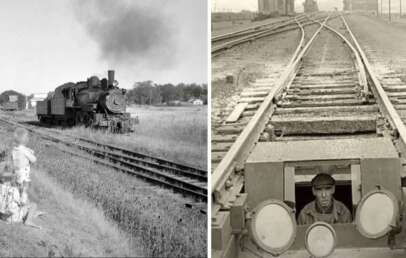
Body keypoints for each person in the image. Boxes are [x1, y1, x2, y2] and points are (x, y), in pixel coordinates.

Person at [11, 128, 37, 204]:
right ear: (25, 139)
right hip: (23, 171)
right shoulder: (24, 150)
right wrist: (31, 154)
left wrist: (28, 151)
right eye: (27, 137)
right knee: (25, 187)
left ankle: (16, 199)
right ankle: (23, 201)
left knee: (18, 186)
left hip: (16, 171)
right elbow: (33, 160)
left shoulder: (14, 149)